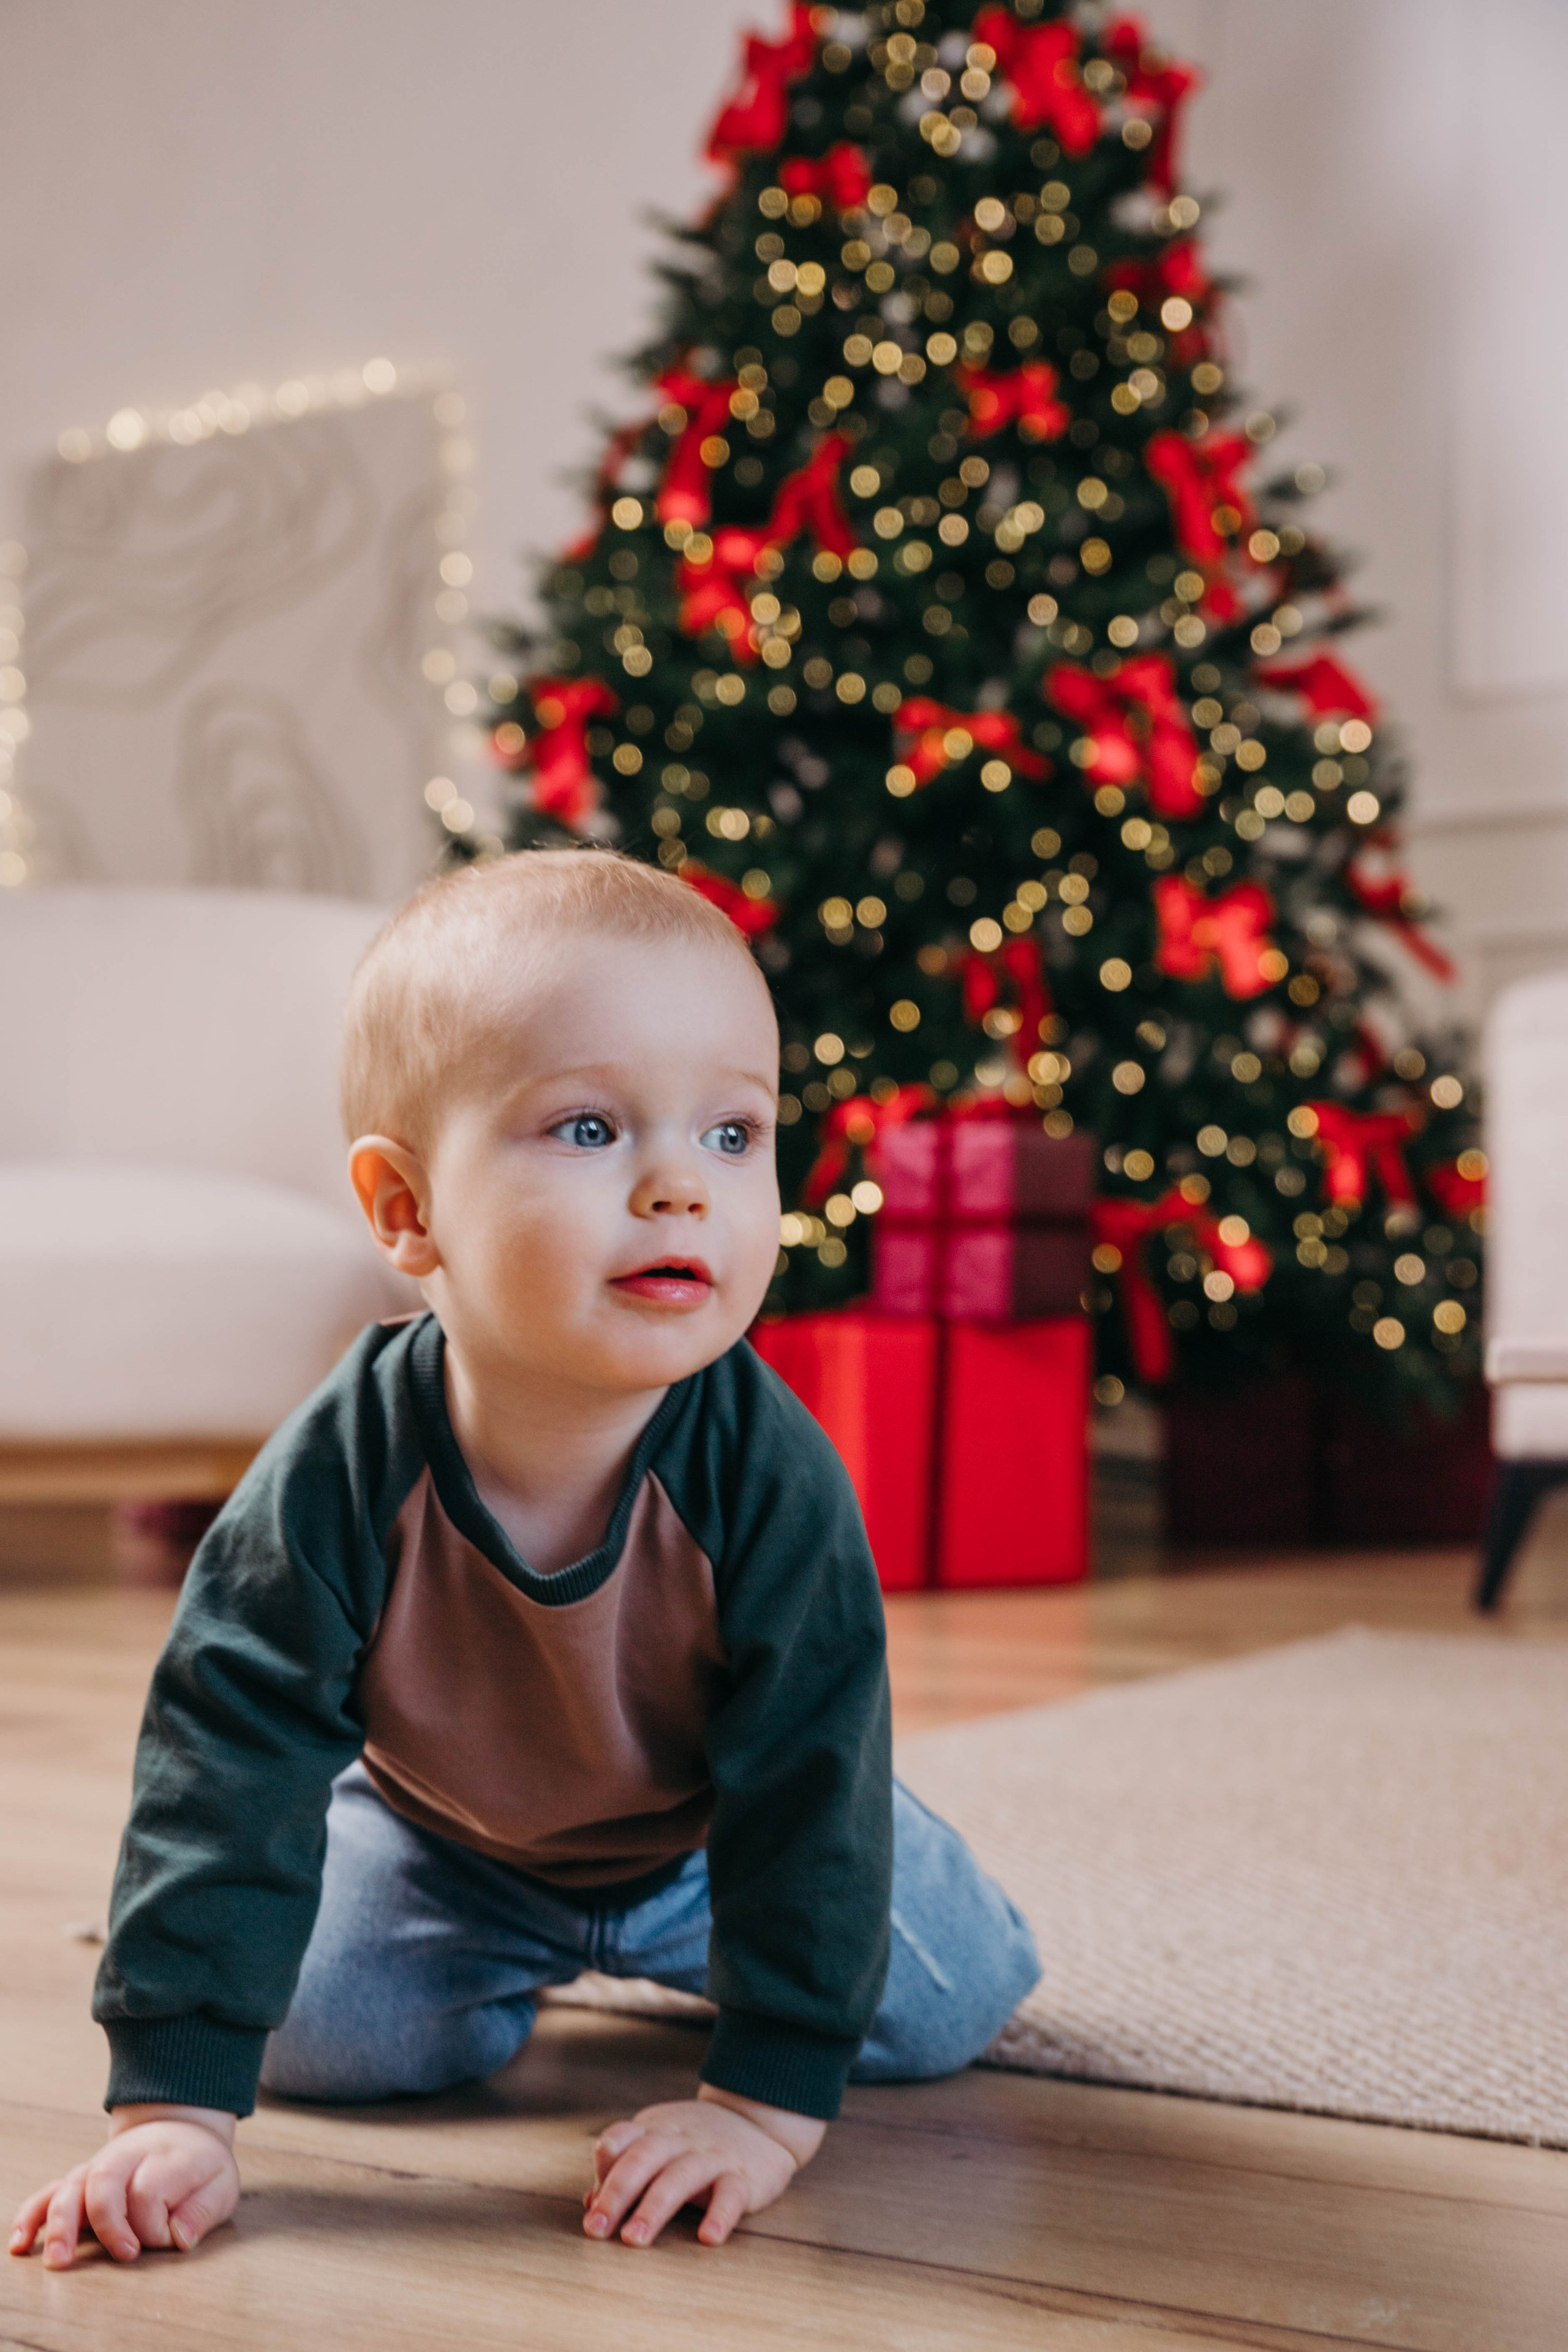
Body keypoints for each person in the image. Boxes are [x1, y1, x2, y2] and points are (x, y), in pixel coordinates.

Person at [10, 849, 1038, 2271]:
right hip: (458, 1843)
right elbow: (225, 1751)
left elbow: (801, 1763)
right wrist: (171, 2109)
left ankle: (856, 1878)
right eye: (587, 1129)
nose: (683, 1185)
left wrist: (758, 2107)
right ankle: (506, 1942)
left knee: (943, 2008)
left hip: (714, 1837)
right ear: (404, 1211)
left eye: (733, 1136)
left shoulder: (771, 1473)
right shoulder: (337, 1469)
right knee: (315, 2034)